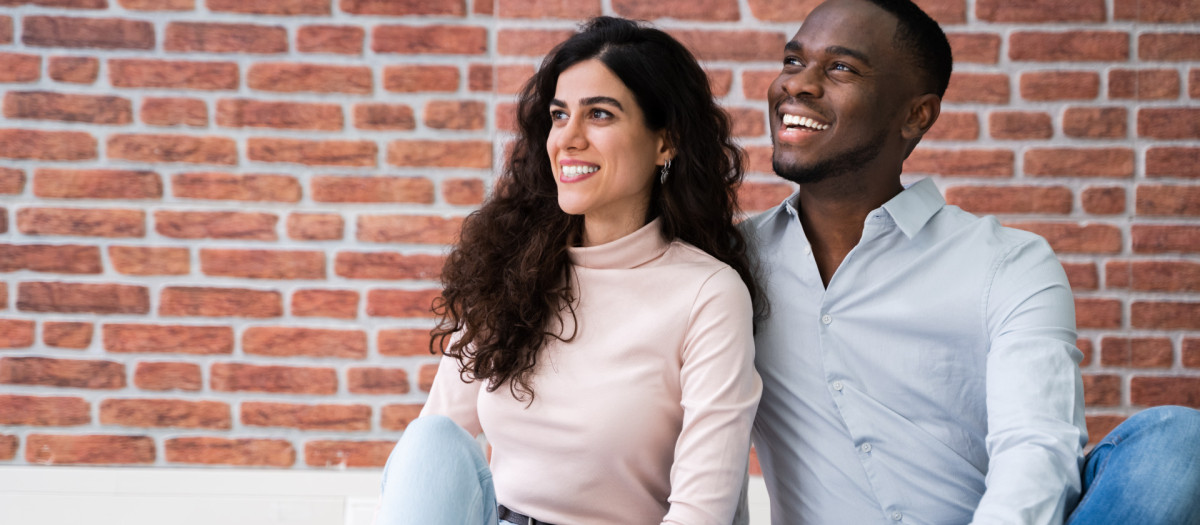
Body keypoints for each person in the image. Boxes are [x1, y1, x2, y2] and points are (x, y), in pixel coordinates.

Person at [745, 0, 1200, 523]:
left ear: (917, 115)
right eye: (792, 61)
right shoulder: (734, 265)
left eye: (841, 67)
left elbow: (1036, 447)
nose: (797, 85)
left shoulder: (1008, 264)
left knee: (1177, 443)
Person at [374, 16, 763, 525]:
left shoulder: (707, 294)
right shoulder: (510, 267)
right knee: (427, 442)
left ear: (665, 143)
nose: (568, 139)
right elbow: (434, 450)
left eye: (599, 114)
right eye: (559, 116)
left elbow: (700, 512)